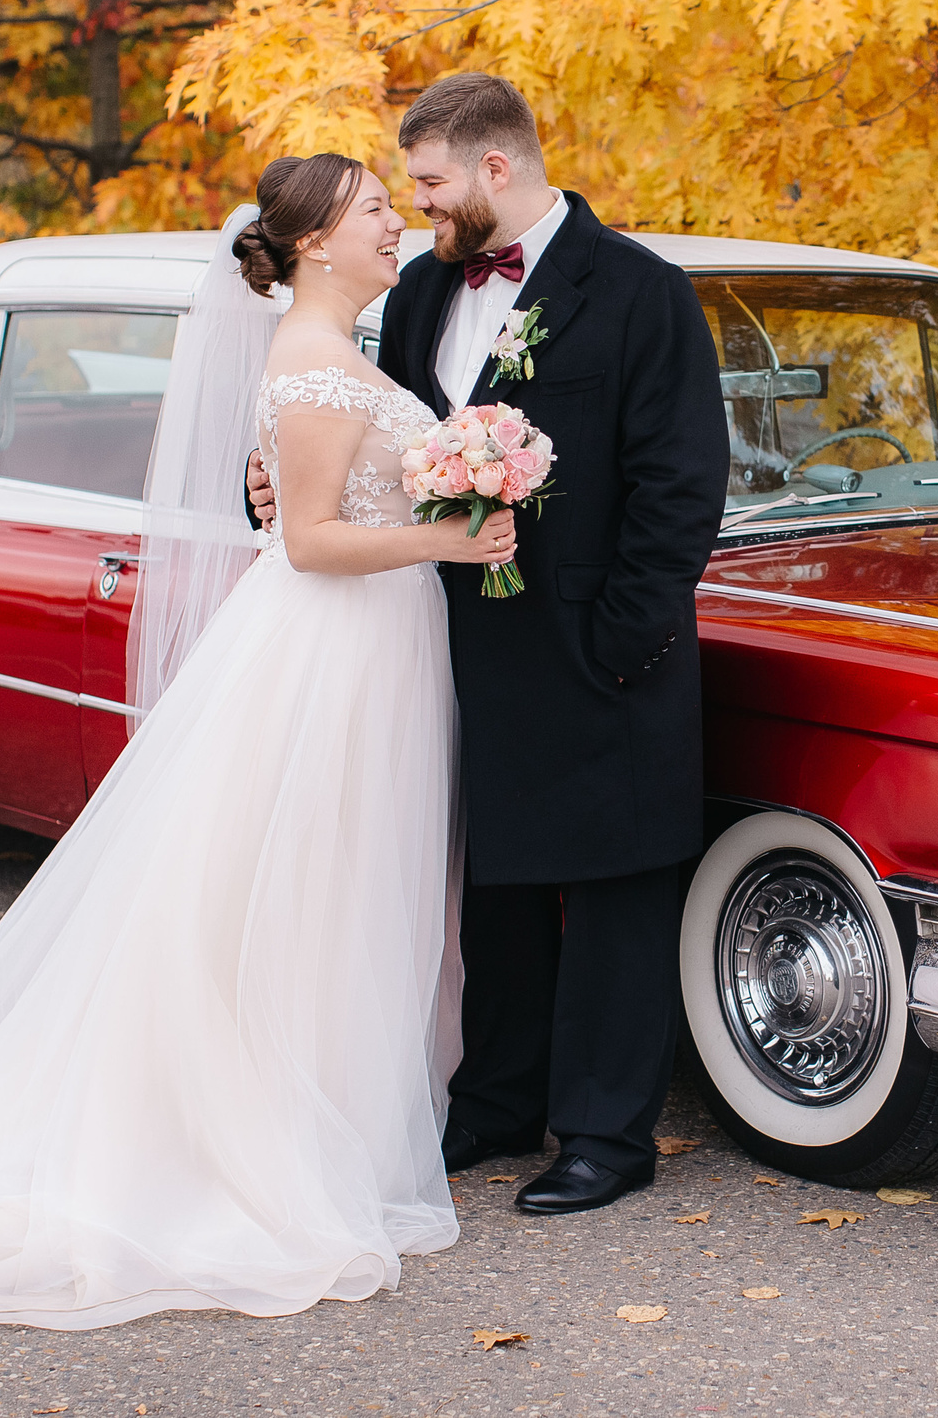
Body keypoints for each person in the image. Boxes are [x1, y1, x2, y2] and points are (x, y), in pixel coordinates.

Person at [0, 157, 517, 1329]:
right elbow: (306, 542)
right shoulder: (311, 369)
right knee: (294, 882)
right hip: (328, 649)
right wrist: (449, 541)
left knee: (342, 880)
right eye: (376, 212)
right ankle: (261, 1130)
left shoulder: (342, 363)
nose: (398, 223)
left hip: (375, 650)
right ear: (311, 244)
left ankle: (336, 1110)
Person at [250, 73, 726, 1215]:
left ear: (493, 170)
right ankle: (498, 1101)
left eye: (425, 183)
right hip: (451, 648)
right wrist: (264, 484)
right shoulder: (417, 294)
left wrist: (618, 642)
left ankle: (607, 1135)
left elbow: (681, 487)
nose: (415, 209)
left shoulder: (642, 294)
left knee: (614, 893)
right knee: (496, 894)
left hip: (603, 654)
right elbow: (358, 443)